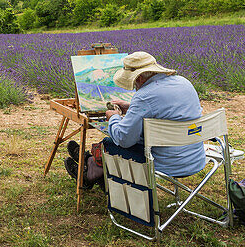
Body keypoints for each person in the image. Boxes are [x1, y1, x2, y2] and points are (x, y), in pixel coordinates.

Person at [65, 51, 205, 188]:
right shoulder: (184, 82)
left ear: (138, 78)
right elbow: (166, 109)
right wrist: (131, 107)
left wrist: (113, 117)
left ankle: (91, 170)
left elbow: (124, 139)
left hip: (166, 163)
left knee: (109, 143)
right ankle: (91, 164)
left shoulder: (144, 96)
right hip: (194, 158)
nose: (134, 88)